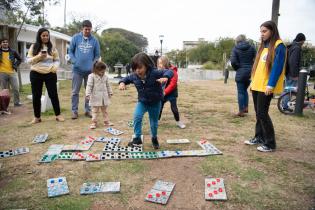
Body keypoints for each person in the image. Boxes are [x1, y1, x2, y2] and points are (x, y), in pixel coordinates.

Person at [244, 20, 286, 152]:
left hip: (266, 87)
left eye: (264, 31)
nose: (262, 34)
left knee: (262, 113)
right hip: (257, 85)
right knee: (258, 113)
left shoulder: (279, 46)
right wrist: (252, 82)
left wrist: (271, 84)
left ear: (272, 31)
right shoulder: (263, 46)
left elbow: (277, 68)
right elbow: (258, 67)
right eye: (260, 31)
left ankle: (270, 143)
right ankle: (259, 137)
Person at [118, 52, 173, 149]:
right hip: (142, 102)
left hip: (155, 102)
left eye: (140, 68)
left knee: (153, 123)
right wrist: (122, 83)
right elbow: (125, 78)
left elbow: (169, 72)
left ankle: (154, 138)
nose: (137, 71)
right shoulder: (134, 75)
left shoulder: (154, 73)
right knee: (137, 117)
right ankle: (137, 138)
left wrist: (165, 77)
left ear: (147, 66)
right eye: (135, 68)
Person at [27, 28, 65, 124]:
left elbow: (57, 60)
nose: (45, 37)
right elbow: (28, 61)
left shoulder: (52, 47)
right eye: (43, 35)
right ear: (39, 36)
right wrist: (39, 56)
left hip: (50, 74)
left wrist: (54, 68)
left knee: (53, 95)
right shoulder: (33, 46)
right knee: (36, 96)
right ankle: (37, 117)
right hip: (36, 73)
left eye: (47, 35)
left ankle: (58, 115)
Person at [69, 20, 100, 120]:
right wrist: (74, 61)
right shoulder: (75, 38)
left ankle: (88, 110)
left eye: (89, 29)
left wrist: (93, 65)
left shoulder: (94, 40)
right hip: (77, 70)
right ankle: (74, 111)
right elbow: (70, 51)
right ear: (82, 29)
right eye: (86, 29)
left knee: (89, 92)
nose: (87, 31)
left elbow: (97, 55)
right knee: (75, 92)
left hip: (90, 71)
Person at [230, 34, 256, 117]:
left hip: (241, 72)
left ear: (237, 41)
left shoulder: (235, 49)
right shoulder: (252, 47)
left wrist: (237, 68)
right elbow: (256, 59)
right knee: (244, 90)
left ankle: (241, 111)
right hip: (250, 72)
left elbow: (233, 61)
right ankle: (246, 108)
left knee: (241, 92)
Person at [157, 56, 185, 129]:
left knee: (174, 108)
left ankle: (178, 122)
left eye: (161, 63)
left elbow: (172, 84)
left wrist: (165, 92)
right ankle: (156, 121)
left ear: (165, 63)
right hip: (162, 93)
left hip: (171, 93)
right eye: (158, 63)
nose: (159, 65)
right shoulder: (160, 71)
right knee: (159, 107)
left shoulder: (173, 71)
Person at [85, 61, 113, 129]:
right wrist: (87, 94)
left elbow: (108, 85)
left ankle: (106, 121)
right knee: (94, 111)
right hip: (95, 97)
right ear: (96, 70)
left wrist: (110, 92)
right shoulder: (91, 76)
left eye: (104, 71)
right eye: (102, 71)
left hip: (104, 97)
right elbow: (89, 86)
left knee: (105, 111)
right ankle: (94, 122)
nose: (103, 73)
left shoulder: (105, 77)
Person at [282, 33, 306, 110]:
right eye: (303, 41)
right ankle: (285, 106)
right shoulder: (297, 48)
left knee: (287, 89)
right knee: (290, 90)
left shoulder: (292, 46)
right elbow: (293, 62)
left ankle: (283, 105)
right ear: (302, 41)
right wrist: (295, 75)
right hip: (292, 73)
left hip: (288, 71)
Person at [0, 38, 23, 107]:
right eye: (3, 42)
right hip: (2, 73)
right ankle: (4, 105)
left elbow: (20, 59)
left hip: (12, 72)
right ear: (1, 44)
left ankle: (17, 102)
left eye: (6, 42)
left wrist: (15, 65)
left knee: (16, 88)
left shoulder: (13, 51)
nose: (5, 43)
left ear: (8, 43)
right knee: (4, 90)